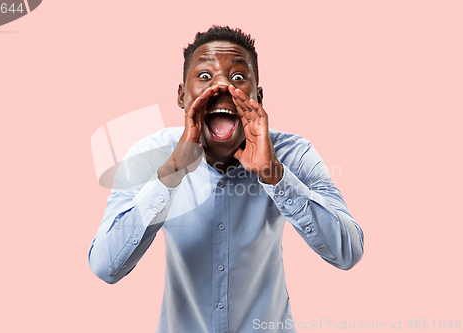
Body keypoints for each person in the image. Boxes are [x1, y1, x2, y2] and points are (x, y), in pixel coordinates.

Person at [88, 26, 364, 333]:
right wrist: (173, 171)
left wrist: (275, 175)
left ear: (257, 96)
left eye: (237, 77)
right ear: (182, 95)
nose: (220, 86)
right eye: (205, 76)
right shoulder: (151, 155)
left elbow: (348, 252)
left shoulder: (294, 154)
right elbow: (105, 266)